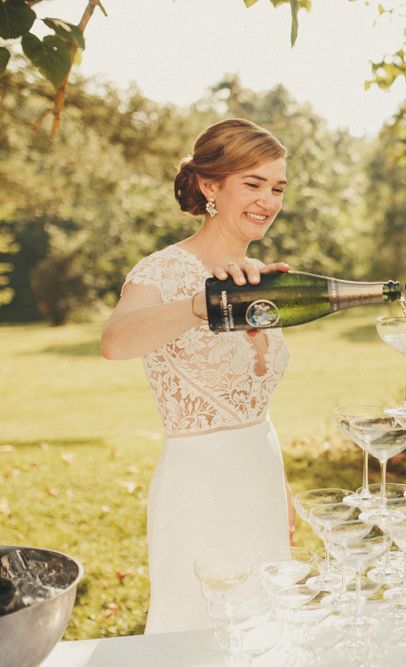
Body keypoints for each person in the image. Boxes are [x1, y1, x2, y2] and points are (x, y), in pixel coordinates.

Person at [100, 118, 295, 634]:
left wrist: (282, 488)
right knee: (194, 632)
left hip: (260, 472)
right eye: (252, 184)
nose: (267, 201)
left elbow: (250, 396)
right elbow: (115, 342)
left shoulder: (258, 277)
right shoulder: (162, 270)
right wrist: (199, 305)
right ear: (210, 186)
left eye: (276, 187)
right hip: (199, 487)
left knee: (265, 631)